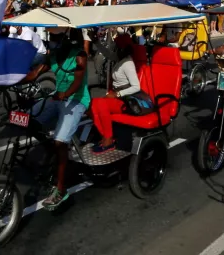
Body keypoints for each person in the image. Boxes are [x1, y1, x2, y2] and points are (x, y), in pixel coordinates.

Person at [20, 28, 89, 210]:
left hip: (76, 100)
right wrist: (10, 80)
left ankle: (60, 189)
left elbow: (77, 83)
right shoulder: (53, 56)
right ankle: (52, 150)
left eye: (55, 37)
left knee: (60, 142)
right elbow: (33, 75)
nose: (51, 40)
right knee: (28, 119)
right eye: (51, 37)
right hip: (57, 97)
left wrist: (64, 94)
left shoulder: (79, 56)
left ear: (64, 38)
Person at [90, 33, 140, 153]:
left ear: (122, 48)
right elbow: (107, 54)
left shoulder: (127, 63)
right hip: (117, 97)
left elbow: (137, 87)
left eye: (116, 46)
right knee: (93, 103)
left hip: (126, 101)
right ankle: (105, 136)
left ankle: (108, 140)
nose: (114, 47)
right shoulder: (119, 59)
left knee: (101, 104)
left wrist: (117, 94)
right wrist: (96, 42)